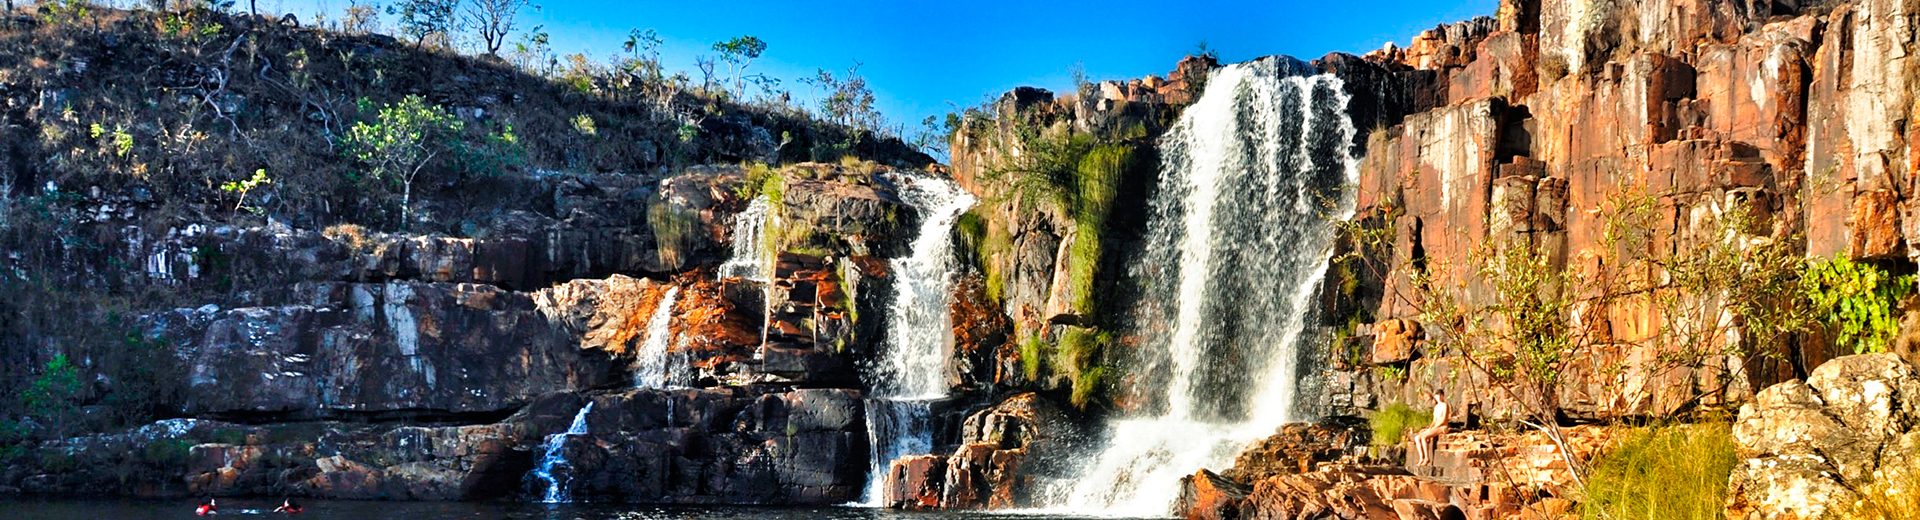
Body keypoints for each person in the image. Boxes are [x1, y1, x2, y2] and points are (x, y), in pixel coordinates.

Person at [1408, 389, 1451, 466]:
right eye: (1436, 396)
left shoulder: (1445, 405)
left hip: (1442, 427)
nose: (1437, 397)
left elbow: (1444, 419)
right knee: (1417, 438)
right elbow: (1434, 420)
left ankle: (1427, 458)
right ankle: (1421, 458)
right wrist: (1429, 428)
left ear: (1442, 396)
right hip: (1435, 427)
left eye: (1438, 395)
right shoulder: (1436, 407)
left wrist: (1434, 428)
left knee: (1424, 436)